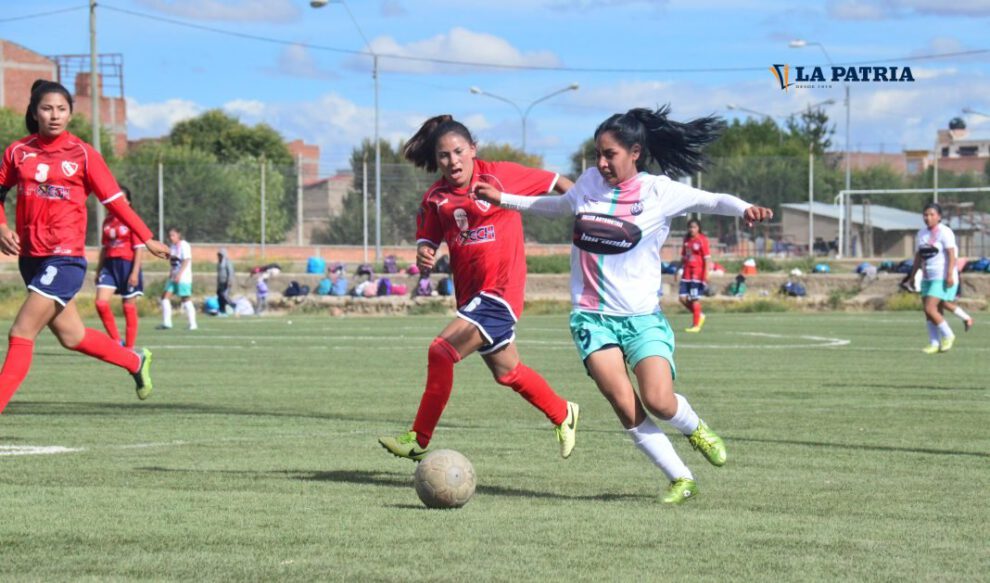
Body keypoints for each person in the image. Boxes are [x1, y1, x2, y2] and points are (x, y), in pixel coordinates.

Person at [474, 106, 772, 503]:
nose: (601, 162)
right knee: (623, 401)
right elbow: (560, 206)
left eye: (609, 154)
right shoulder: (589, 183)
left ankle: (694, 427)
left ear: (635, 152)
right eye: (597, 153)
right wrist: (504, 200)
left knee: (659, 400)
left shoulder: (658, 192)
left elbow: (713, 200)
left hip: (642, 317)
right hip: (591, 316)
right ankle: (680, 478)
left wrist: (745, 208)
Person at [378, 114, 579, 461]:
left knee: (440, 351)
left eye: (458, 151)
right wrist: (424, 254)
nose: (452, 161)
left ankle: (418, 437)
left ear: (472, 150)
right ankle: (563, 413)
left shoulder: (499, 174)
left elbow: (558, 181)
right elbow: (428, 242)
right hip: (471, 299)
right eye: (444, 155)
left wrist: (595, 214)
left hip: (500, 293)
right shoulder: (435, 198)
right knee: (509, 372)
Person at [0, 79, 170, 413]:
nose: (54, 115)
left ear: (70, 114)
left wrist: (146, 237)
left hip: (65, 260)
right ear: (34, 112)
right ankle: (135, 360)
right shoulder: (18, 152)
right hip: (31, 259)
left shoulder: (83, 155)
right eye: (47, 108)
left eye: (62, 109)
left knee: (21, 332)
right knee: (72, 336)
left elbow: (116, 202)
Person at [905, 202, 974, 354]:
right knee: (929, 312)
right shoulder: (921, 233)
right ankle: (934, 343)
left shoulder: (945, 232)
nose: (928, 217)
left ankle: (948, 335)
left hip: (941, 276)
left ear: (939, 217)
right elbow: (919, 256)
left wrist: (949, 274)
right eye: (925, 215)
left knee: (931, 307)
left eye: (931, 214)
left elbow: (951, 254)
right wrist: (913, 274)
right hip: (927, 276)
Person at [94, 185, 145, 348]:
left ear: (128, 202)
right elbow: (104, 247)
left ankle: (129, 348)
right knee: (101, 303)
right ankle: (116, 340)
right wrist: (98, 269)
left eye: (122, 199)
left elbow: (139, 248)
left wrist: (135, 272)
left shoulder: (133, 219)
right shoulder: (107, 221)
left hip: (128, 265)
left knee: (128, 307)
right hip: (109, 265)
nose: (118, 202)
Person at [158, 227, 197, 330]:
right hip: (173, 276)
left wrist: (179, 274)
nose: (171, 237)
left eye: (173, 235)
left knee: (185, 298)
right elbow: (173, 262)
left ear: (178, 235)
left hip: (183, 277)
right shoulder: (173, 246)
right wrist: (171, 272)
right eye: (170, 235)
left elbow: (186, 260)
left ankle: (192, 323)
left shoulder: (184, 245)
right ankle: (167, 323)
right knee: (165, 297)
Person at [678, 218, 711, 332]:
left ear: (699, 228)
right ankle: (699, 315)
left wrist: (706, 274)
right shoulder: (686, 239)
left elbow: (707, 259)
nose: (692, 229)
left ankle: (696, 325)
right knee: (682, 298)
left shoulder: (702, 240)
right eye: (690, 227)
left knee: (694, 299)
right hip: (686, 273)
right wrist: (678, 269)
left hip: (697, 274)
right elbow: (683, 256)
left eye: (694, 227)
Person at [216, 247, 235, 315]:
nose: (219, 256)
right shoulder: (219, 263)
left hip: (226, 282)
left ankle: (233, 305)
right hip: (220, 283)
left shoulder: (227, 262)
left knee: (225, 295)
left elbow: (230, 272)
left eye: (220, 255)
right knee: (219, 296)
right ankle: (222, 310)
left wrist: (230, 281)